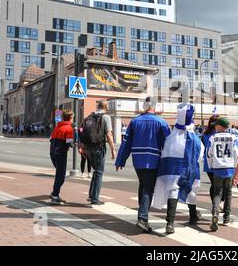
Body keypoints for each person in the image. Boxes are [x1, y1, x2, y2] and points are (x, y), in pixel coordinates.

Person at [115, 97, 170, 233]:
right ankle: (142, 217)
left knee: (143, 185)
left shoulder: (134, 122)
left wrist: (120, 160)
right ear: (155, 107)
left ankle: (142, 215)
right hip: (153, 160)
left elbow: (126, 142)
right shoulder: (161, 122)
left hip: (137, 160)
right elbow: (168, 144)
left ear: (143, 106)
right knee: (148, 188)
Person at [152, 103, 204, 234]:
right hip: (189, 170)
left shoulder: (172, 136)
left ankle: (170, 222)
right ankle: (192, 216)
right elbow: (200, 155)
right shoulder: (195, 139)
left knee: (173, 192)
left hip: (172, 169)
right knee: (191, 191)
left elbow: (165, 151)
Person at [79, 101, 117, 206]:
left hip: (88, 147)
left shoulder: (90, 116)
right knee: (99, 172)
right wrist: (113, 149)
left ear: (98, 106)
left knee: (96, 171)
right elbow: (109, 134)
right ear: (105, 107)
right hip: (98, 147)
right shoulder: (106, 117)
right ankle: (95, 198)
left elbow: (81, 130)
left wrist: (81, 146)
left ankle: (92, 195)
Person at [207, 117, 238, 231]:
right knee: (228, 193)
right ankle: (226, 218)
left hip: (217, 167)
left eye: (216, 125)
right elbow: (236, 153)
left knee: (217, 193)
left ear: (220, 127)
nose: (215, 127)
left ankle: (215, 213)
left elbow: (209, 153)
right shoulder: (233, 137)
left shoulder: (213, 137)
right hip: (229, 167)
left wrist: (211, 165)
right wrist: (234, 166)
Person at [49, 109, 74, 205]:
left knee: (59, 174)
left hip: (53, 153)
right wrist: (75, 144)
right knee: (60, 176)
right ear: (71, 118)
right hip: (61, 154)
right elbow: (70, 143)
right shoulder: (69, 129)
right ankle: (55, 195)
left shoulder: (57, 127)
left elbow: (51, 140)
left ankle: (55, 193)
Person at [202, 115, 222, 207]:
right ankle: (218, 203)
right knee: (220, 184)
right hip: (219, 162)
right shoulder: (219, 134)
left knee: (214, 184)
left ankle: (215, 203)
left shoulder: (205, 134)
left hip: (208, 162)